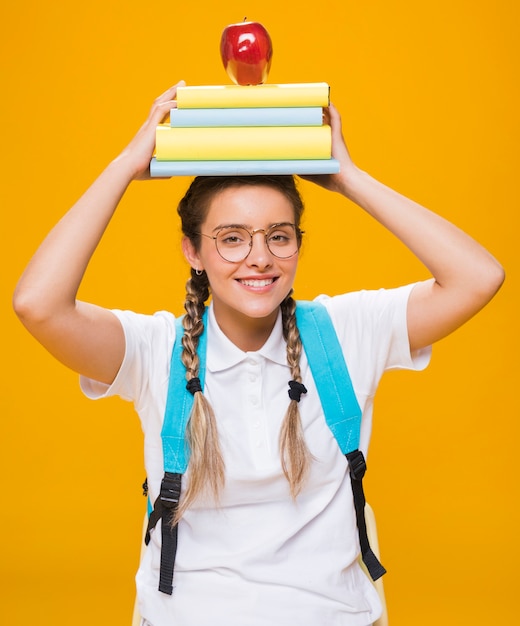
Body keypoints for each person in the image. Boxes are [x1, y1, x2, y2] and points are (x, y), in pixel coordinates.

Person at [13, 82, 504, 626]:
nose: (259, 258)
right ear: (193, 251)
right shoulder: (156, 350)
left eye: (279, 235)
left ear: (298, 242)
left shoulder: (346, 332)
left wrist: (349, 179)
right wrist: (125, 167)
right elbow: (38, 305)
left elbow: (479, 277)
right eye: (231, 238)